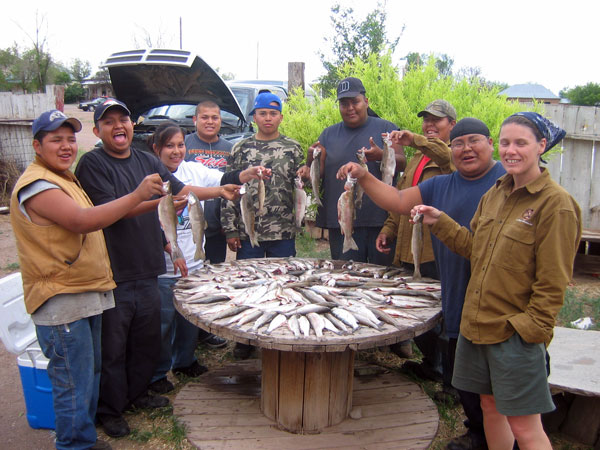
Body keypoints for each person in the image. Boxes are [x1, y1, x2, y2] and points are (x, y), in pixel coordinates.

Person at [337, 117, 507, 450]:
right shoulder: (442, 185)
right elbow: (399, 202)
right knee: (465, 372)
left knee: (500, 380)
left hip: (499, 301)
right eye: (459, 143)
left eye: (474, 141)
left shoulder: (507, 182)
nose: (466, 149)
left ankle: (514, 435)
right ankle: (477, 434)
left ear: (490, 144)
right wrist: (366, 175)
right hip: (457, 292)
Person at [74, 99, 240, 438]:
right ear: (97, 131)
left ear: (132, 125)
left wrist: (219, 191)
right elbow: (108, 212)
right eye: (109, 122)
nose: (118, 126)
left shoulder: (146, 160)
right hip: (115, 270)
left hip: (150, 265)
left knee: (145, 339)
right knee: (114, 346)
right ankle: (110, 409)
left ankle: (137, 394)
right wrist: (142, 196)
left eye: (124, 119)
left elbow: (180, 191)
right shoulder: (92, 164)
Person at [414, 112, 581, 449]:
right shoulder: (495, 194)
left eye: (521, 142)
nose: (511, 150)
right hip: (476, 327)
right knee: (489, 407)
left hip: (513, 334)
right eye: (506, 142)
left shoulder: (555, 205)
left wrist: (528, 333)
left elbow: (553, 284)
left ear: (541, 146)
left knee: (525, 427)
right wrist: (440, 220)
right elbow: (475, 248)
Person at [10, 109, 165, 450]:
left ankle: (83, 436)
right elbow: (83, 220)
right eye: (55, 140)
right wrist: (139, 195)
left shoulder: (64, 178)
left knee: (86, 375)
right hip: (62, 300)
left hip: (86, 292)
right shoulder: (38, 185)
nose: (66, 147)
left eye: (69, 139)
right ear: (37, 145)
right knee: (72, 381)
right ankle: (73, 444)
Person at [148, 121, 270, 394]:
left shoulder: (194, 171)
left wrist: (247, 174)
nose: (176, 151)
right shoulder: (151, 179)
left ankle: (185, 361)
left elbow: (225, 178)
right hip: (163, 268)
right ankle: (158, 373)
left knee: (189, 318)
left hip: (193, 261)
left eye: (180, 145)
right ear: (156, 149)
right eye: (169, 146)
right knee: (163, 323)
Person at [221, 91, 303, 358]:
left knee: (285, 283)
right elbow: (229, 189)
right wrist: (231, 229)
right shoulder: (240, 148)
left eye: (273, 113)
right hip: (249, 230)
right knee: (249, 283)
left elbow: (303, 187)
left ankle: (283, 331)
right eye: (262, 113)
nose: (268, 118)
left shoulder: (293, 148)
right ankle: (246, 337)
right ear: (254, 116)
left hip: (283, 229)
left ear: (281, 116)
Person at [296, 76, 404, 264]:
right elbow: (318, 173)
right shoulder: (328, 134)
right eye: (344, 103)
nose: (350, 108)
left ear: (366, 101)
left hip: (381, 220)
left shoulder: (386, 128)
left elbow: (403, 163)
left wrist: (382, 155)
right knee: (345, 279)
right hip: (342, 222)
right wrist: (308, 162)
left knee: (383, 279)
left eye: (355, 102)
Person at [382, 100, 456, 368]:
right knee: (413, 307)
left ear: (452, 126)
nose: (430, 125)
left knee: (437, 310)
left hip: (432, 249)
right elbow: (400, 195)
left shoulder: (450, 156)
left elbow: (444, 156)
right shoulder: (415, 159)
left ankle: (446, 373)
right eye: (426, 120)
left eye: (437, 120)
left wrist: (415, 139)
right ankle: (430, 363)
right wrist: (389, 228)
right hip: (406, 247)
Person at [184, 100, 234, 348]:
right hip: (190, 226)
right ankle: (187, 331)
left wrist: (230, 222)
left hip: (217, 225)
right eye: (205, 117)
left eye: (215, 117)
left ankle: (207, 328)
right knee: (190, 278)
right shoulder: (184, 145)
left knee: (213, 276)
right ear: (195, 120)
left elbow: (233, 187)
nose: (210, 121)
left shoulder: (229, 147)